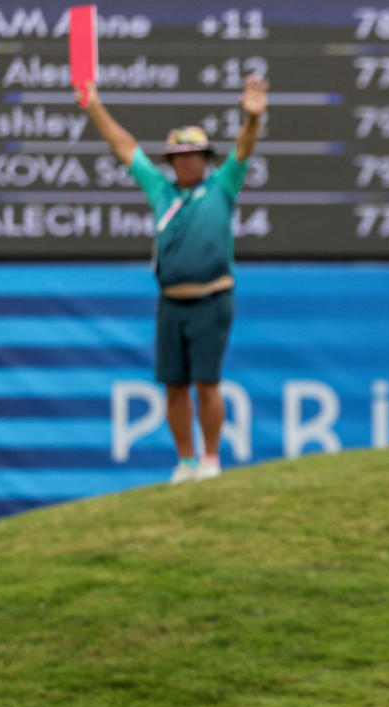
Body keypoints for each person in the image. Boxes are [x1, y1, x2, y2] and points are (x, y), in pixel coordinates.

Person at [78, 75, 267, 483]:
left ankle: (211, 460)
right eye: (179, 156)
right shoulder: (161, 192)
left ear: (205, 158)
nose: (186, 162)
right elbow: (124, 146)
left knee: (207, 383)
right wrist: (93, 106)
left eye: (194, 155)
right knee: (174, 386)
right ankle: (185, 462)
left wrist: (252, 118)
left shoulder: (221, 187)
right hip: (170, 301)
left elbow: (244, 149)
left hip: (212, 298)